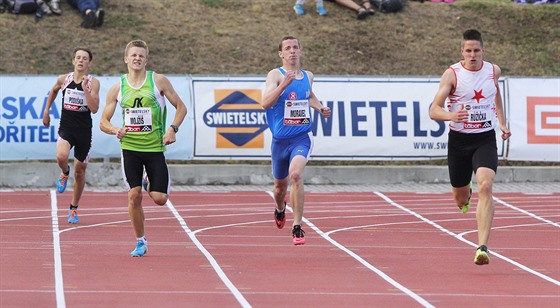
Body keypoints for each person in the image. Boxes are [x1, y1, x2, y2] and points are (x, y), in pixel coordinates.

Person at [429, 29, 511, 265]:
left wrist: (502, 123)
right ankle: (465, 197)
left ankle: (482, 247)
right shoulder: (452, 75)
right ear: (461, 52)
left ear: (483, 51)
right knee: (460, 198)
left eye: (476, 50)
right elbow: (433, 109)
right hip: (459, 142)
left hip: (484, 139)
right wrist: (450, 115)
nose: (472, 55)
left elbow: (495, 94)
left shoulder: (492, 70)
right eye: (468, 51)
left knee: (486, 185)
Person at [100, 39, 187, 257]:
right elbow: (103, 121)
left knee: (160, 199)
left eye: (141, 55)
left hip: (155, 148)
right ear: (126, 59)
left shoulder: (158, 81)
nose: (137, 58)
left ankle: (148, 181)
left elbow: (181, 108)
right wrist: (114, 130)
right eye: (133, 55)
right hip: (129, 148)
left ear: (146, 59)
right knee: (133, 195)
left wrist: (172, 129)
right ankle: (140, 240)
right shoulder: (118, 87)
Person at [262, 36, 332, 245]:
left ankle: (297, 226)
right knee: (278, 189)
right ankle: (280, 208)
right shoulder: (275, 75)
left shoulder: (308, 76)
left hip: (301, 137)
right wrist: (284, 84)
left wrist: (319, 107)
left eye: (295, 47)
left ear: (300, 51)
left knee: (295, 175)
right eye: (287, 48)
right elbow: (265, 103)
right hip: (280, 142)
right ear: (281, 54)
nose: (292, 51)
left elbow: (309, 95)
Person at [42, 47, 100, 224]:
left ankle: (73, 208)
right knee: (61, 156)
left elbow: (95, 109)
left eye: (84, 58)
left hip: (84, 132)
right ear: (73, 61)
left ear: (89, 63)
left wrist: (85, 90)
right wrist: (46, 111)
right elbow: (53, 91)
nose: (81, 61)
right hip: (66, 128)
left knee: (80, 171)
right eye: (78, 58)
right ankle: (64, 172)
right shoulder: (64, 79)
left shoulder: (93, 83)